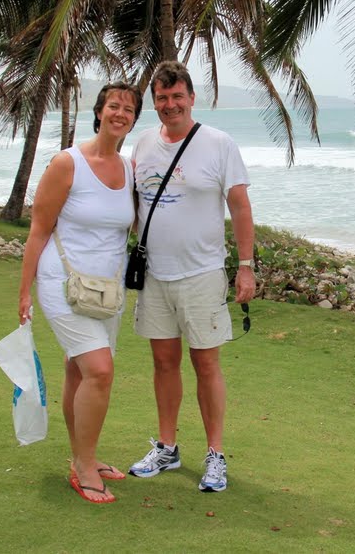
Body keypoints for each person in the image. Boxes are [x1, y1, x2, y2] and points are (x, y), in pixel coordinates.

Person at [127, 60, 255, 493]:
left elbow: (239, 206)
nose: (169, 105)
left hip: (202, 273)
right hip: (155, 276)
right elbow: (129, 205)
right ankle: (167, 446)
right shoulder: (142, 144)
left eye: (177, 96)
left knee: (205, 362)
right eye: (161, 98)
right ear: (155, 102)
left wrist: (246, 266)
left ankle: (215, 454)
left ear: (192, 97)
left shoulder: (219, 143)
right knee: (163, 362)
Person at [18, 82, 142, 504]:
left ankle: (81, 456)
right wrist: (24, 292)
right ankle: (85, 467)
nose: (120, 113)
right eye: (113, 105)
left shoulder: (129, 169)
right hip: (63, 283)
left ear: (133, 119)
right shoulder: (67, 163)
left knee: (79, 371)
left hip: (107, 291)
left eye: (128, 109)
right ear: (100, 111)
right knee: (100, 371)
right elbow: (39, 229)